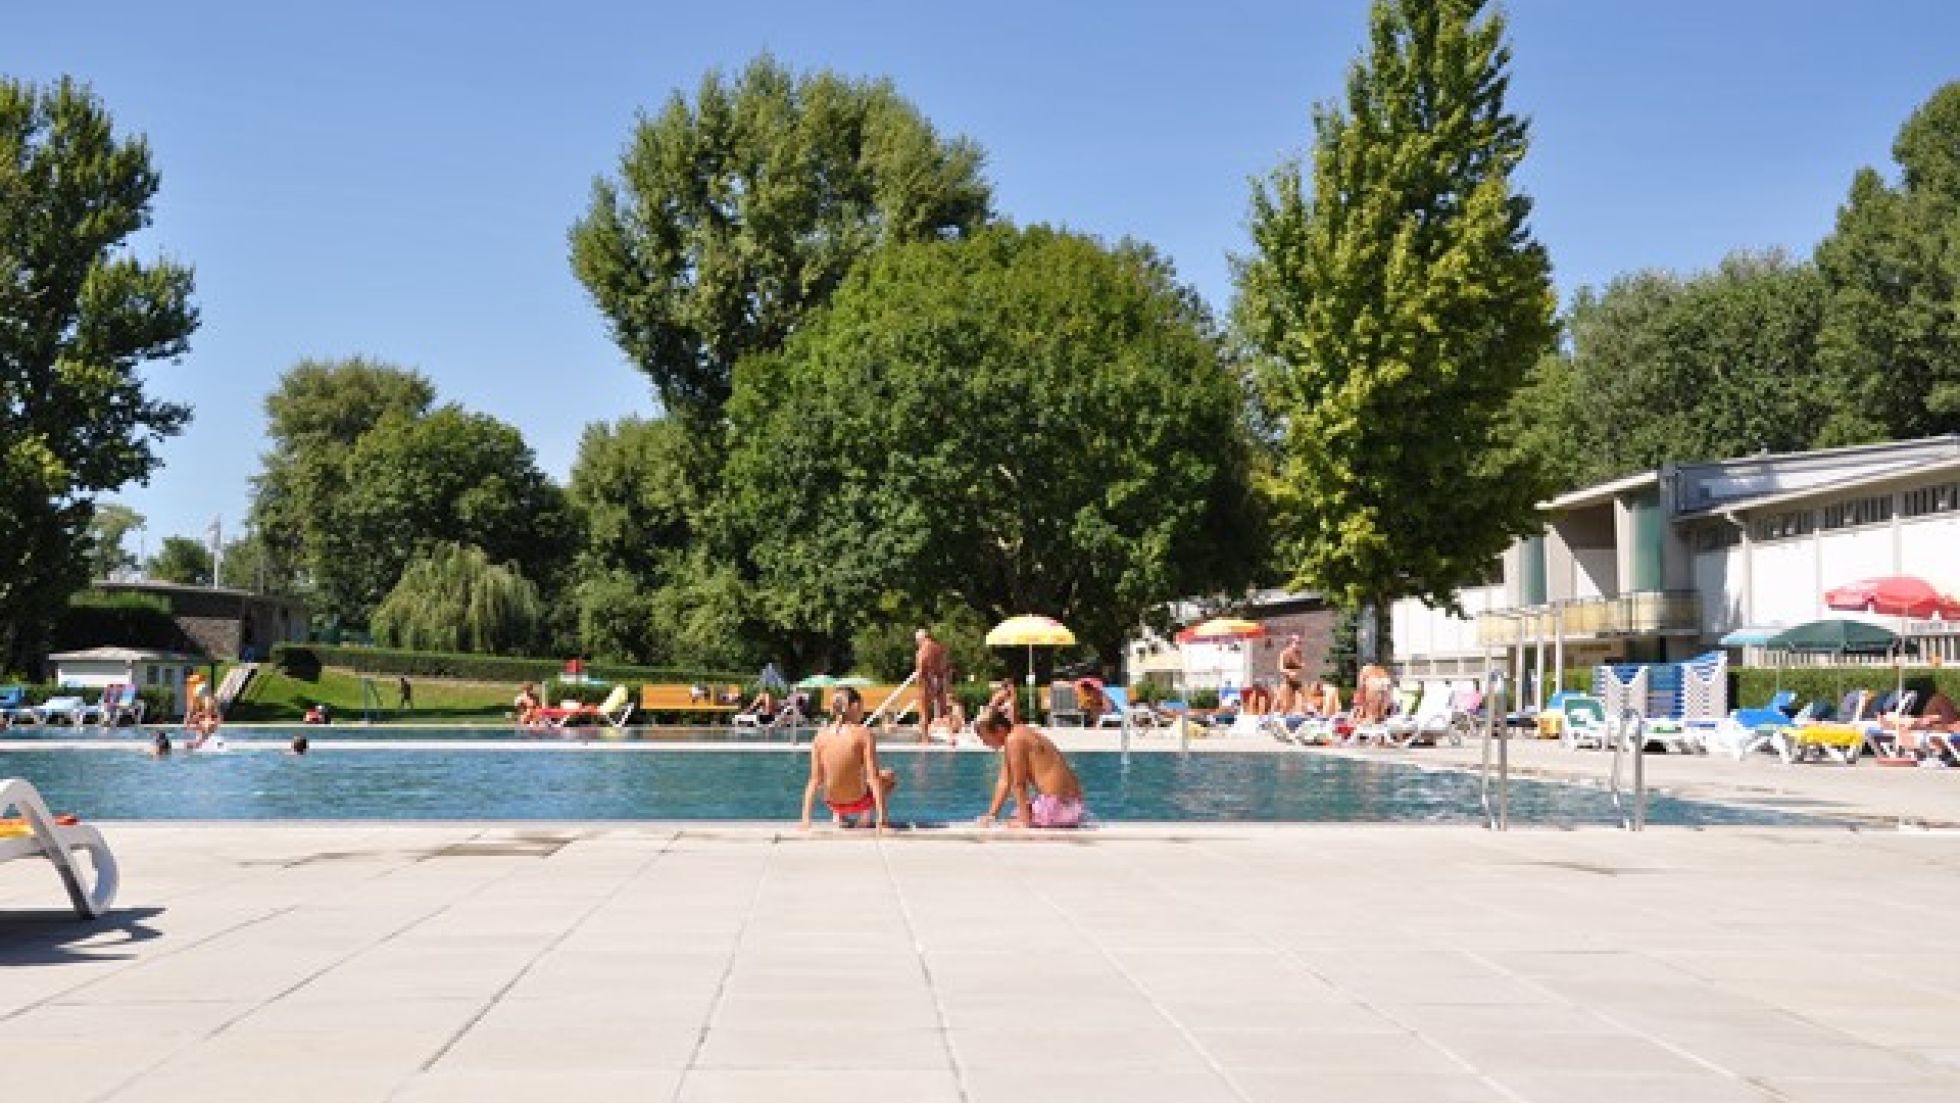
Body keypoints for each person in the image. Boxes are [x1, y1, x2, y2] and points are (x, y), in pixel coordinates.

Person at [800, 687, 896, 831]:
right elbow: (873, 778)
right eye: (862, 708)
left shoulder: (820, 737)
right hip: (858, 801)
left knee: (829, 778)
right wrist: (882, 819)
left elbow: (814, 780)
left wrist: (805, 820)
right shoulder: (863, 734)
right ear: (855, 706)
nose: (862, 712)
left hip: (832, 802)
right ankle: (865, 817)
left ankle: (839, 815)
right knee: (888, 776)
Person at [974, 709, 1087, 828]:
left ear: (999, 729)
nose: (984, 743)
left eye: (985, 738)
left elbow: (1019, 784)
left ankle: (1027, 819)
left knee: (1012, 821)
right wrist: (992, 815)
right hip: (1073, 806)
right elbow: (1004, 780)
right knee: (1016, 814)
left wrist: (1024, 820)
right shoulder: (1020, 732)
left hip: (1056, 808)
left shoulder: (1014, 740)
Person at [914, 628, 952, 742]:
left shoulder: (922, 650)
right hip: (939, 680)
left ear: (920, 639)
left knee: (924, 712)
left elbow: (921, 665)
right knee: (944, 711)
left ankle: (925, 739)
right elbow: (946, 666)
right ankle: (951, 736)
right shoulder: (938, 648)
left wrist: (918, 680)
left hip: (927, 681)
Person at [1276, 634, 1306, 713]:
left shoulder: (1299, 653)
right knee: (1287, 704)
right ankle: (1281, 717)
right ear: (1291, 642)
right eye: (1297, 642)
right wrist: (1289, 672)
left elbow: (1300, 665)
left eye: (1300, 643)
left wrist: (1301, 666)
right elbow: (1280, 668)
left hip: (1297, 681)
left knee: (1306, 699)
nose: (1299, 644)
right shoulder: (1284, 653)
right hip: (1287, 681)